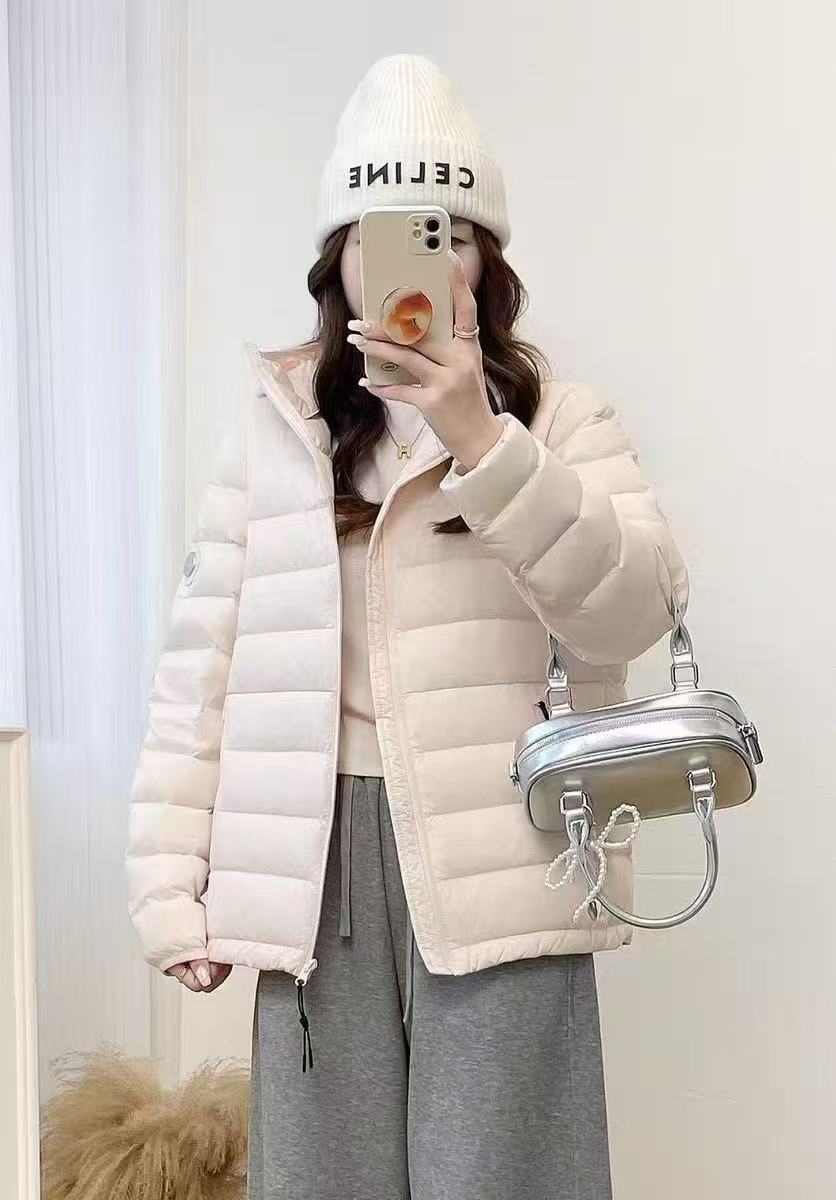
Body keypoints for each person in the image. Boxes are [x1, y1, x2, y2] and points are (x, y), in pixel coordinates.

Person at [125, 52, 689, 1200]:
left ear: (488, 262)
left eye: (450, 234)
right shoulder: (280, 428)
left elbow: (633, 609)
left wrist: (482, 438)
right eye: (382, 237)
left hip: (507, 856)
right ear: (339, 260)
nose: (420, 266)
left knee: (508, 1180)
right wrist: (169, 879)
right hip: (314, 865)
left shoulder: (559, 423)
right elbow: (203, 667)